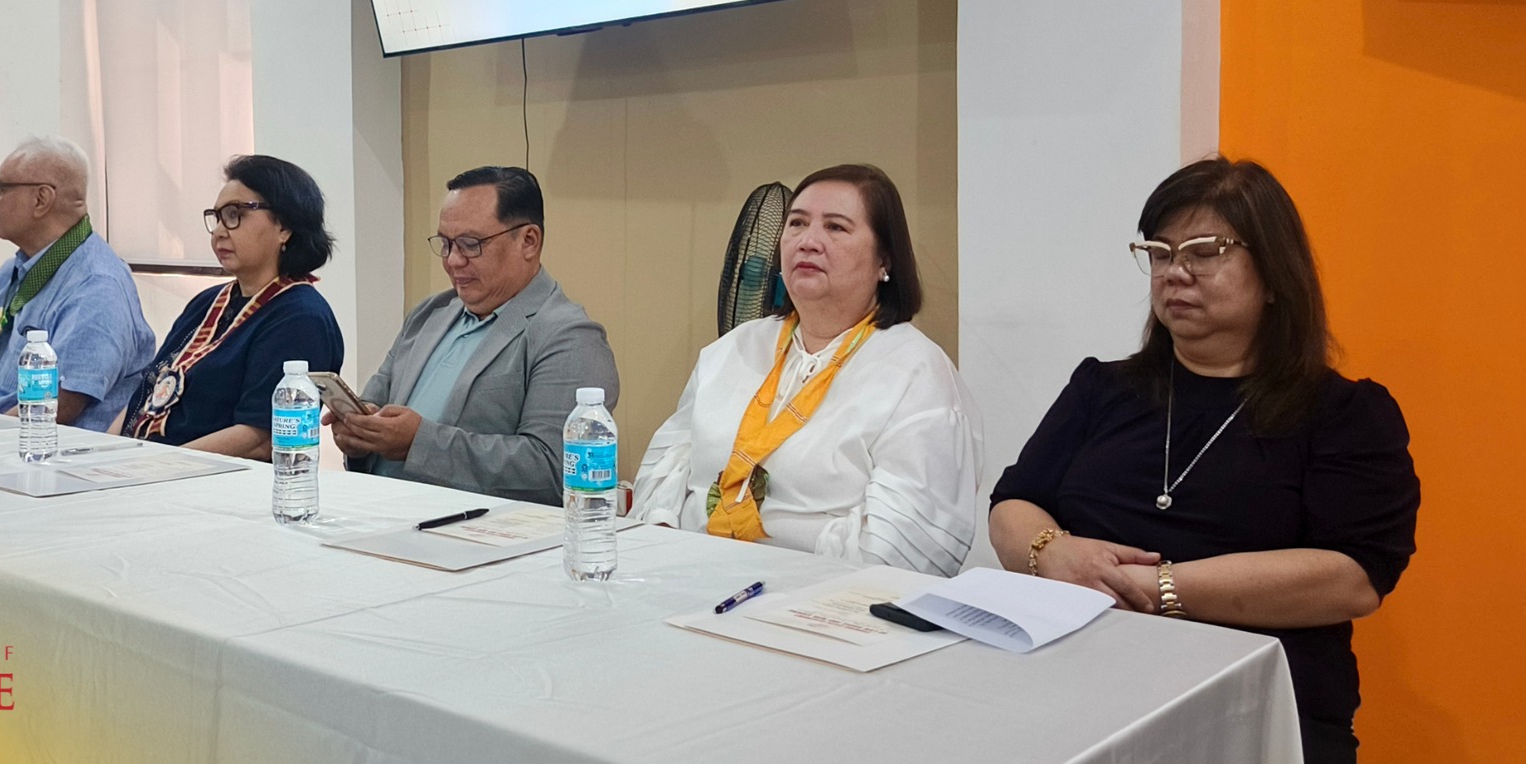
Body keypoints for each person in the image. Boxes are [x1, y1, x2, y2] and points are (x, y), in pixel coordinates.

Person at [988, 157, 1419, 764]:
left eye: (1204, 251)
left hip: (1256, 703)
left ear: (1274, 273)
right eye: (1159, 253)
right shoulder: (1102, 388)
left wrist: (1157, 587)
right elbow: (1013, 502)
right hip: (1073, 678)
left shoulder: (1343, 414)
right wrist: (1052, 551)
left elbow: (1354, 577)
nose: (1174, 272)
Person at [633, 164, 983, 576]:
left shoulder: (917, 373)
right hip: (687, 577)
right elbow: (665, 476)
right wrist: (669, 560)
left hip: (821, 598)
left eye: (835, 227)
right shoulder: (732, 350)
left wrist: (774, 571)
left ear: (884, 259)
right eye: (797, 223)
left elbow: (903, 550)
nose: (808, 242)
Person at [332, 165, 618, 504]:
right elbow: (375, 403)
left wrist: (419, 443)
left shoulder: (568, 337)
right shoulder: (430, 314)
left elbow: (552, 470)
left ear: (529, 241)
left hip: (469, 528)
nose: (453, 261)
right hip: (380, 509)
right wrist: (360, 433)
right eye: (445, 244)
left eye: (470, 244)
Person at [119, 156, 345, 456]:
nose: (219, 232)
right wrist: (106, 452)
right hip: (151, 464)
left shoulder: (300, 317)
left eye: (235, 214)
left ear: (285, 227)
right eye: (217, 217)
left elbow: (260, 436)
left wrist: (156, 465)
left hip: (209, 476)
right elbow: (147, 394)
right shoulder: (207, 303)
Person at [0, 137, 155, 432]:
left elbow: (56, 405)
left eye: (0, 189)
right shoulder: (13, 270)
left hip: (19, 447)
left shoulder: (97, 285)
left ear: (41, 199)